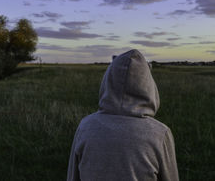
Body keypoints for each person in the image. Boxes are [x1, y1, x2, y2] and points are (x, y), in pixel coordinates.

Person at [67, 49, 179, 181]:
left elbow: (72, 177)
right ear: (148, 85)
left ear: (107, 81)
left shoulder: (85, 126)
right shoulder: (159, 134)